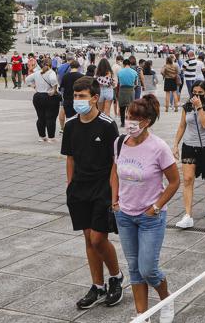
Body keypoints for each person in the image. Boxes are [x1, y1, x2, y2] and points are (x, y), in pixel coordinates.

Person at [111, 94, 179, 323]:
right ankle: (142, 315)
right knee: (134, 267)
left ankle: (166, 299)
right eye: (128, 117)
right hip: (125, 214)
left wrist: (157, 207)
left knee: (148, 268)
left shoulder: (158, 147)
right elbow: (115, 172)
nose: (129, 122)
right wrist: (115, 202)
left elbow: (174, 181)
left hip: (150, 217)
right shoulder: (120, 142)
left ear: (147, 122)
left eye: (134, 119)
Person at [61, 76, 124, 310]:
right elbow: (70, 157)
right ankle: (97, 285)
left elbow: (116, 161)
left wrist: (114, 192)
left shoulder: (107, 125)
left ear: (95, 98)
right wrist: (70, 185)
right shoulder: (70, 125)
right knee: (88, 239)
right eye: (75, 96)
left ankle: (116, 277)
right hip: (79, 189)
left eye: (82, 96)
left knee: (99, 238)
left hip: (102, 188)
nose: (77, 100)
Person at [173, 81, 205, 229]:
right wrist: (175, 145)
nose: (197, 95)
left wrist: (199, 107)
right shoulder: (186, 106)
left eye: (200, 93)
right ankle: (187, 215)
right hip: (189, 146)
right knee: (187, 179)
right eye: (194, 92)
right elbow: (181, 126)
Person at [25, 58, 61, 142]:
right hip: (49, 96)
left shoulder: (37, 73)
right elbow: (53, 80)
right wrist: (54, 90)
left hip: (38, 96)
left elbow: (27, 80)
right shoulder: (51, 72)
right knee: (51, 118)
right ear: (51, 64)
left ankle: (42, 136)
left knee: (40, 117)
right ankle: (51, 138)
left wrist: (33, 86)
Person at [117, 59, 138, 127]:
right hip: (130, 90)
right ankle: (130, 122)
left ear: (123, 64)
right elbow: (136, 83)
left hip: (122, 90)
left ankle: (123, 123)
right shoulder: (134, 72)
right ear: (130, 64)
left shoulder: (119, 72)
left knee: (122, 108)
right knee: (130, 108)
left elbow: (119, 82)